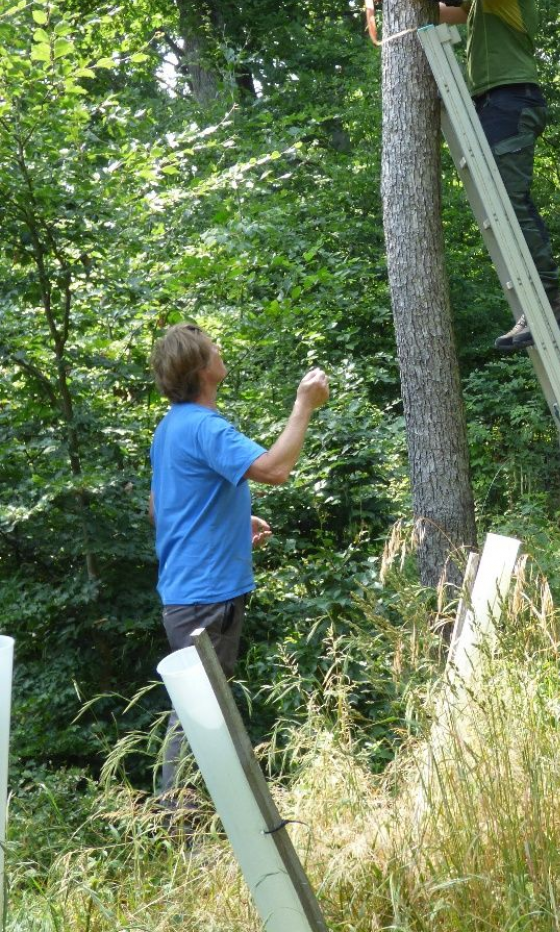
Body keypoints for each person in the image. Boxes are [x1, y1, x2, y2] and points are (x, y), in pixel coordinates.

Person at [355, 0, 560, 352]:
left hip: (512, 98)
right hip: (497, 100)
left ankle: (550, 305)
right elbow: (437, 13)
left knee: (511, 203)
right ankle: (537, 306)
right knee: (505, 204)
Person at [148, 322, 329, 795]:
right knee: (198, 717)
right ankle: (178, 827)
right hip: (206, 600)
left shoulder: (171, 429)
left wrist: (232, 522)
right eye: (213, 348)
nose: (221, 349)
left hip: (188, 595)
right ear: (202, 369)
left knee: (199, 711)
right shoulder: (205, 427)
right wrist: (303, 405)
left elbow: (160, 506)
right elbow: (275, 468)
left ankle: (190, 822)